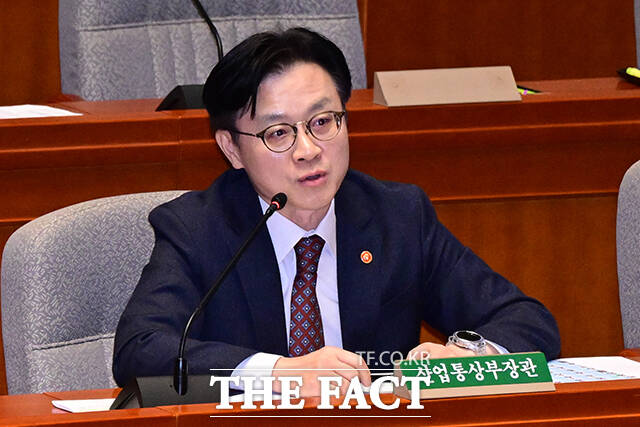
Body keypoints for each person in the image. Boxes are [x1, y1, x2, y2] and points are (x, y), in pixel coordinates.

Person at [113, 27, 560, 396]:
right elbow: (140, 349)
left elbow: (529, 321)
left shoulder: (397, 217)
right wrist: (278, 373)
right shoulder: (197, 228)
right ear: (232, 148)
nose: (308, 150)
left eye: (322, 122)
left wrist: (470, 357)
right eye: (278, 132)